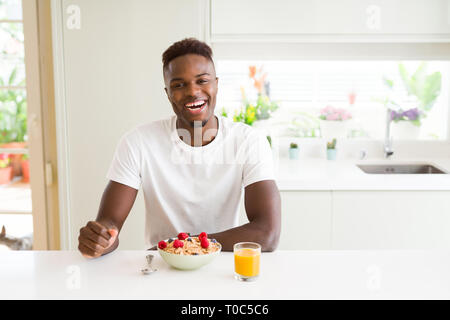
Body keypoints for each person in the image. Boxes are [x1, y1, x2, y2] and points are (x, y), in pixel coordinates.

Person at [78, 38, 281, 258]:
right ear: (167, 93)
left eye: (202, 81)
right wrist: (100, 239)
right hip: (161, 267)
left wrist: (178, 247)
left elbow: (267, 233)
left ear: (216, 84)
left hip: (221, 264)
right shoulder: (138, 142)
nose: (193, 92)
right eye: (179, 85)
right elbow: (110, 223)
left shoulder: (248, 141)